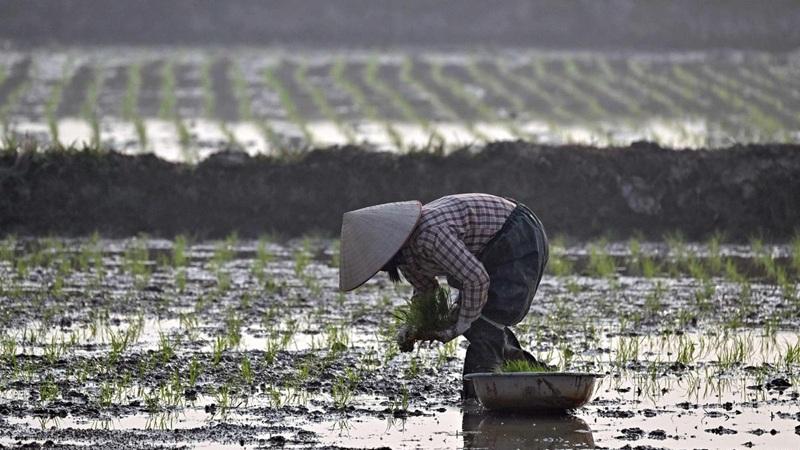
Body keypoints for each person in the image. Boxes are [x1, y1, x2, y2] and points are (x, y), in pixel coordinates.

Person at [338, 193, 549, 400]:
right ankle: (532, 373)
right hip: (490, 246)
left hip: (516, 233)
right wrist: (412, 327)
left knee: (484, 320)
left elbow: (476, 279)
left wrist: (459, 326)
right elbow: (425, 291)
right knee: (479, 319)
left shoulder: (430, 234)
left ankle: (477, 400)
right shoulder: (405, 256)